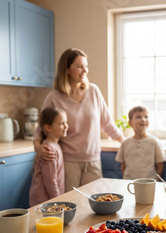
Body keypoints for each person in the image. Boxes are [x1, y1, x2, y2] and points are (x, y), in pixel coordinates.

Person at [33, 48, 123, 191]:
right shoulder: (54, 97)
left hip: (93, 160)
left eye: (86, 66)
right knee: (71, 206)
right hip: (68, 162)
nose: (85, 70)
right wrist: (37, 146)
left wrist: (125, 142)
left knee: (94, 207)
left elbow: (107, 123)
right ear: (67, 69)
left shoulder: (93, 91)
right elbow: (41, 127)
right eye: (80, 66)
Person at [29, 107, 68, 207]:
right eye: (61, 124)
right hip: (43, 203)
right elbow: (51, 182)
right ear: (48, 127)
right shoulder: (48, 150)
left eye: (66, 122)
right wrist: (59, 203)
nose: (66, 126)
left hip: (50, 201)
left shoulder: (56, 146)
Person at [115, 106, 166, 179]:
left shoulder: (154, 142)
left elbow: (160, 165)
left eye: (146, 117)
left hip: (149, 182)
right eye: (138, 117)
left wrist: (154, 181)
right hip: (129, 182)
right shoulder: (125, 143)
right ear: (130, 123)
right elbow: (123, 165)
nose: (143, 119)